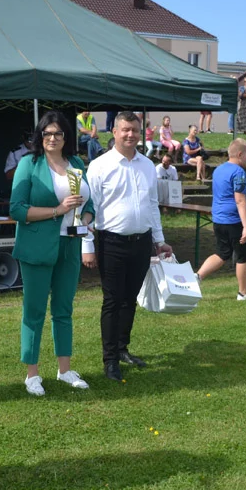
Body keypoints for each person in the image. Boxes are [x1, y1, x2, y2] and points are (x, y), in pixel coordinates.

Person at [9, 111, 95, 396]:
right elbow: (17, 209)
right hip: (37, 247)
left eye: (58, 133)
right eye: (47, 133)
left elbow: (88, 203)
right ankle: (31, 374)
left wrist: (86, 218)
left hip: (70, 244)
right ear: (40, 136)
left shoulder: (77, 163)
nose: (53, 138)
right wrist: (57, 211)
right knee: (33, 312)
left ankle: (65, 369)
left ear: (66, 137)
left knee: (64, 309)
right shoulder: (28, 164)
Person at [86, 112, 173, 380]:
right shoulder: (99, 166)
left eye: (135, 130)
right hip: (111, 241)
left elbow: (151, 205)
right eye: (125, 130)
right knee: (112, 300)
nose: (130, 135)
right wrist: (87, 244)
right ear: (113, 132)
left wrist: (159, 240)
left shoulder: (147, 165)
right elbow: (89, 209)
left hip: (142, 241)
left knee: (130, 299)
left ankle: (123, 349)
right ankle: (110, 359)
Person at [196, 139, 246, 300]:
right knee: (243, 256)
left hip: (219, 220)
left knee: (222, 253)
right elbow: (240, 200)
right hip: (234, 220)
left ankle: (196, 277)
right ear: (239, 154)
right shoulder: (238, 172)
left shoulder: (219, 169)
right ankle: (244, 293)